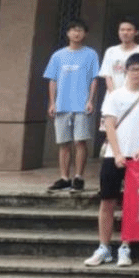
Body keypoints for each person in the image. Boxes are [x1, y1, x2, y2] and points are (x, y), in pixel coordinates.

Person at [84, 53, 139, 268]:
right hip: (113, 155)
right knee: (107, 201)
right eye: (133, 69)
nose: (137, 73)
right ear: (126, 71)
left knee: (131, 203)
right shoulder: (115, 95)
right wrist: (117, 153)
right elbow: (109, 125)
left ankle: (125, 247)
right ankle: (104, 247)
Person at [43, 18, 100, 193]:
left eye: (80, 30)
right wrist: (52, 102)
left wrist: (90, 100)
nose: (76, 33)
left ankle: (78, 177)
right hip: (62, 105)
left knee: (80, 141)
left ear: (85, 34)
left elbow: (94, 79)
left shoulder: (91, 54)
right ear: (67, 33)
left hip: (81, 105)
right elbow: (52, 80)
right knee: (63, 143)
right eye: (73, 30)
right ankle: (64, 178)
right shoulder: (58, 55)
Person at [99, 17, 139, 93]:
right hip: (112, 95)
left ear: (136, 32)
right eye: (122, 30)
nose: (125, 33)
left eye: (129, 30)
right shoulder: (111, 51)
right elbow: (108, 76)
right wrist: (113, 95)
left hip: (134, 95)